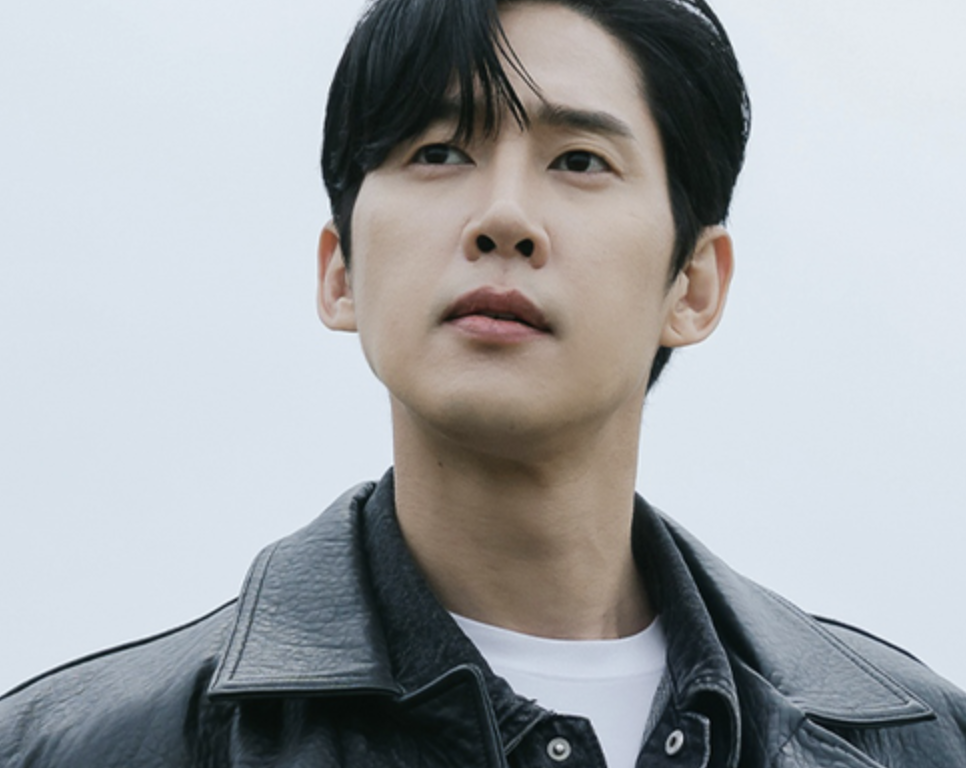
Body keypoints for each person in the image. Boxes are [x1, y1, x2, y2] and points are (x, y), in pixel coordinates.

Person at [2, 0, 964, 766]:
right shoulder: (76, 747)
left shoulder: (922, 741)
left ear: (694, 285)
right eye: (439, 153)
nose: (504, 217)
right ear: (341, 272)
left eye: (579, 160)